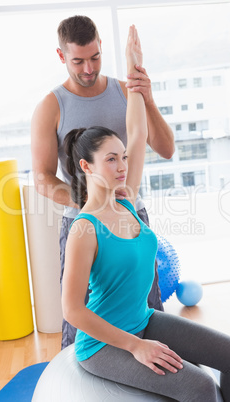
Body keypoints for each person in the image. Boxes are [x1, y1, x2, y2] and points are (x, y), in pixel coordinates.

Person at [61, 25, 230, 402]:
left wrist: (135, 69)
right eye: (111, 159)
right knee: (199, 388)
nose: (121, 166)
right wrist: (135, 346)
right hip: (104, 345)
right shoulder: (85, 229)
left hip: (143, 320)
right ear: (86, 166)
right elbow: (71, 310)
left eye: (124, 159)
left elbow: (136, 131)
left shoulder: (127, 199)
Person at [31, 15, 175, 350]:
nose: (87, 69)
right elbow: (41, 176)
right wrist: (94, 207)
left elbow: (161, 147)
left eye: (94, 58)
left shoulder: (125, 92)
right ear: (61, 55)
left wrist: (145, 95)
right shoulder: (51, 106)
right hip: (83, 223)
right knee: (80, 321)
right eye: (77, 60)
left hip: (130, 214)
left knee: (147, 311)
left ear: (101, 49)